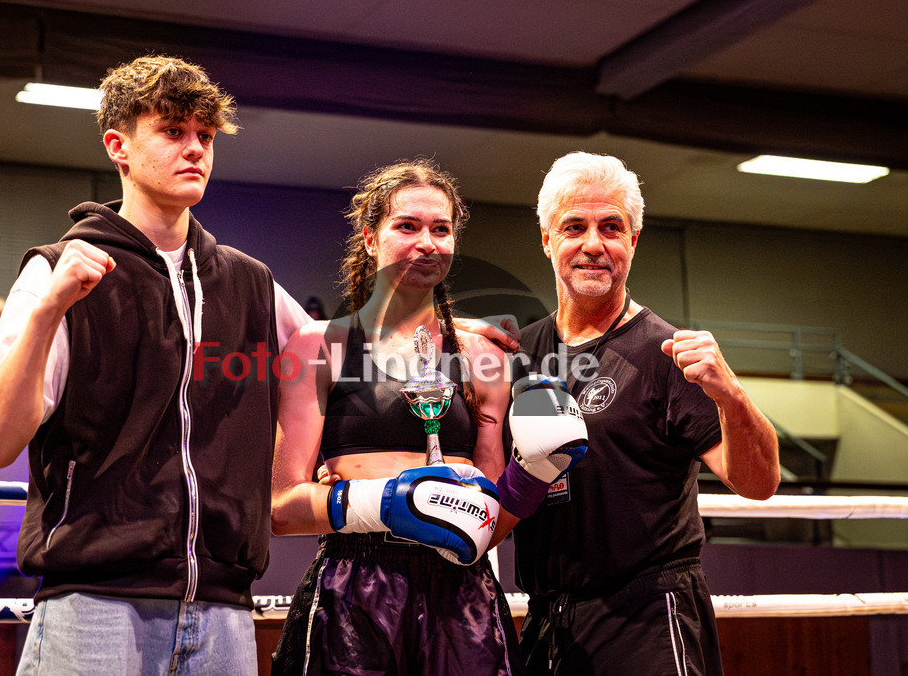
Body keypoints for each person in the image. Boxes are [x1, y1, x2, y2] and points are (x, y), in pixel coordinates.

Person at [0, 55, 310, 674]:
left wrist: (439, 324)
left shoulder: (248, 280)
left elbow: (331, 354)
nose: (195, 150)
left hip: (224, 607)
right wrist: (49, 312)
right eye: (173, 132)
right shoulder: (58, 269)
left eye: (205, 136)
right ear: (117, 146)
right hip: (94, 603)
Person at [495, 152, 780, 675]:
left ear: (633, 241)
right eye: (574, 227)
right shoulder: (519, 353)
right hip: (548, 620)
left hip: (649, 616)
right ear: (546, 240)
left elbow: (759, 484)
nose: (593, 245)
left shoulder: (669, 352)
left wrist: (733, 396)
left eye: (611, 227)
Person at [270, 159, 524, 674]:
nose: (426, 242)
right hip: (353, 586)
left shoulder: (484, 358)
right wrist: (380, 503)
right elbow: (278, 506)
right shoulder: (320, 346)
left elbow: (493, 524)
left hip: (462, 590)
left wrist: (534, 478)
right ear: (369, 238)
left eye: (441, 228)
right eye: (407, 226)